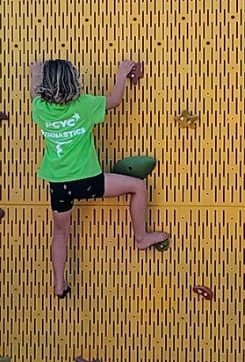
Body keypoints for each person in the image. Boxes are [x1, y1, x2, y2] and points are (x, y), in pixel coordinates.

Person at [30, 59, 168, 298]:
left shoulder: (40, 108)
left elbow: (32, 93)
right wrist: (121, 74)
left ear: (46, 86)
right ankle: (141, 237)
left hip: (59, 185)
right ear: (73, 82)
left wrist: (34, 73)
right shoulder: (84, 105)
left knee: (60, 233)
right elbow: (115, 101)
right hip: (88, 181)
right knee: (137, 186)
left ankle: (59, 283)